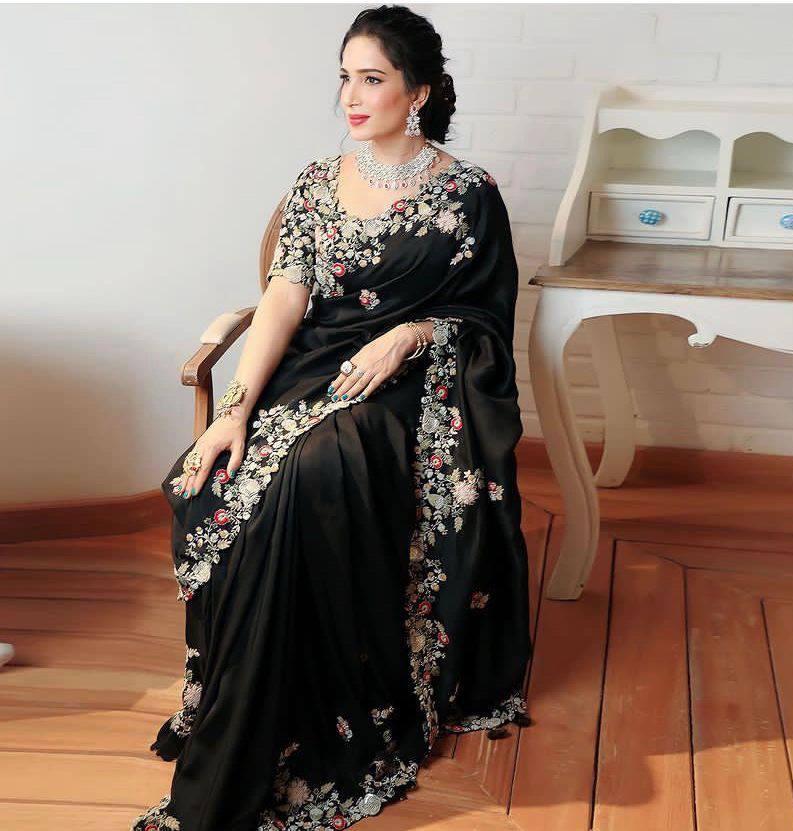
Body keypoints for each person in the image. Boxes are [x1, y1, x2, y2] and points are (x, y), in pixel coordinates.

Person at [132, 5, 533, 830]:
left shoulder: (468, 193)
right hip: (312, 369)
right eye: (345, 77)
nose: (352, 96)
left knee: (317, 468)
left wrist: (416, 332)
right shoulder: (316, 182)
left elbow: (489, 318)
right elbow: (284, 298)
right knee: (220, 476)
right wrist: (234, 410)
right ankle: (253, 692)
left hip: (411, 391)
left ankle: (324, 703)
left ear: (416, 91)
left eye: (373, 78)